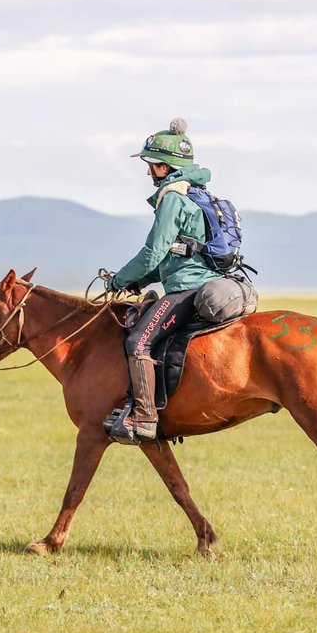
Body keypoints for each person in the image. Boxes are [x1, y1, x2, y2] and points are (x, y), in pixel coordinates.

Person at [106, 118, 222, 444]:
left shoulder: (172, 198)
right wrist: (140, 283)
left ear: (166, 166)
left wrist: (119, 280)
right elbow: (176, 257)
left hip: (188, 288)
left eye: (152, 165)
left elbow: (153, 252)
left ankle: (143, 418)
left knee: (137, 342)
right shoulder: (197, 193)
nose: (148, 173)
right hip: (203, 279)